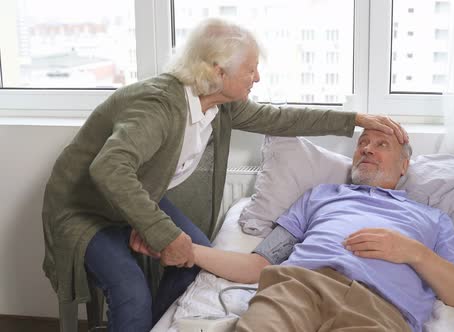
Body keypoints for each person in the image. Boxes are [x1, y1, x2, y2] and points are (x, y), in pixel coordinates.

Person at [41, 17, 407, 332]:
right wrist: (160, 230)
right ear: (218, 71)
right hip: (86, 208)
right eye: (250, 69)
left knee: (194, 258)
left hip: (135, 196)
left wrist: (356, 120)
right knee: (131, 289)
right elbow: (108, 168)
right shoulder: (157, 104)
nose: (257, 77)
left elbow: (280, 118)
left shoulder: (221, 105)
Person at [133, 129, 454, 332]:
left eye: (381, 145)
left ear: (405, 164)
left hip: (379, 309)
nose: (367, 149)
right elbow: (258, 265)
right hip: (296, 288)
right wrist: (186, 250)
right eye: (363, 143)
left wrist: (413, 252)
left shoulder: (433, 219)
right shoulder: (322, 196)